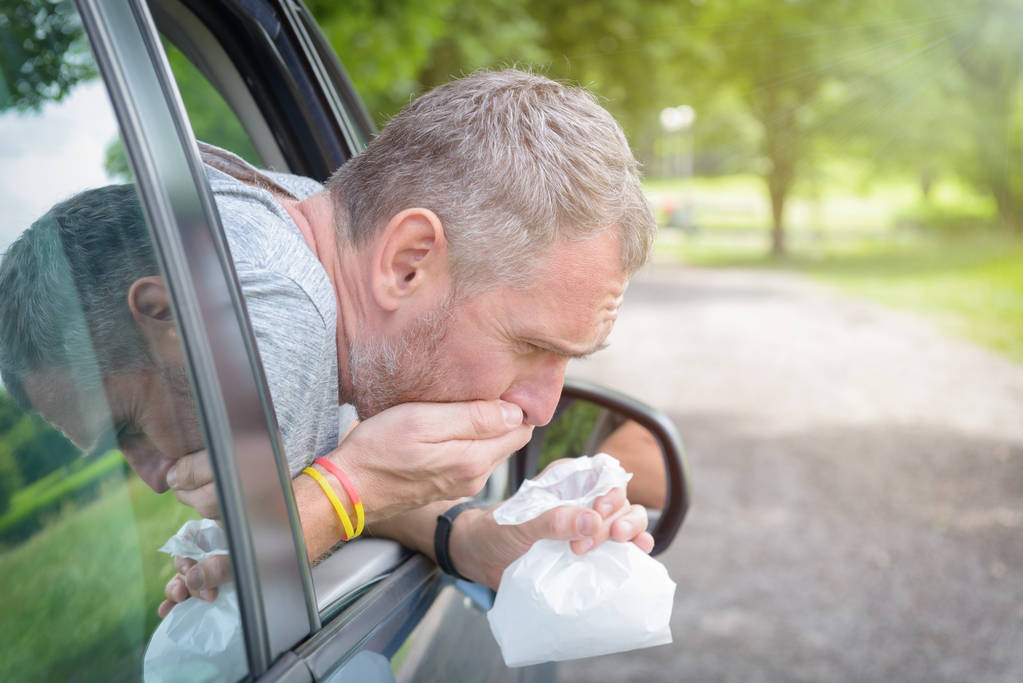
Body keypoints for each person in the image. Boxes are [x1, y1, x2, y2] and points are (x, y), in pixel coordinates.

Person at [0, 69, 657, 613]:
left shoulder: (286, 255)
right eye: (531, 346)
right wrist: (353, 484)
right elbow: (252, 561)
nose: (543, 407)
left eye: (129, 427)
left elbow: (303, 484)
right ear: (405, 261)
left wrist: (469, 534)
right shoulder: (286, 303)